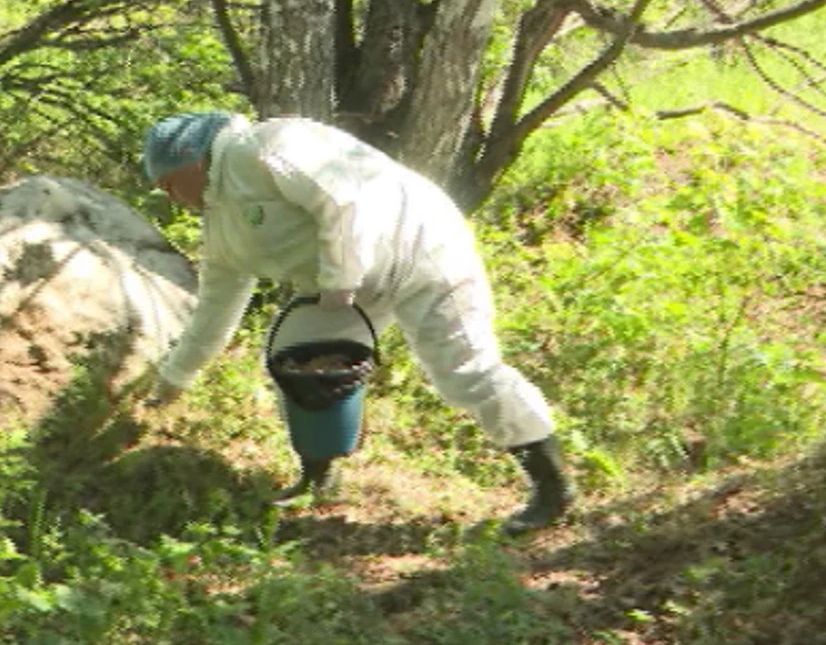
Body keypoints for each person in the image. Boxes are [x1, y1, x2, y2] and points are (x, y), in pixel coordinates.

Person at [139, 110, 570, 535]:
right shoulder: (221, 228)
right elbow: (216, 307)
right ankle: (319, 478)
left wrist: (340, 279)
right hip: (347, 286)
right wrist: (175, 376)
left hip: (423, 250)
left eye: (169, 184)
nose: (170, 197)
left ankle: (552, 487)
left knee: (465, 372)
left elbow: (341, 198)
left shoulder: (266, 146)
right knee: (300, 359)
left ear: (191, 163)